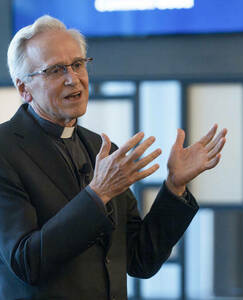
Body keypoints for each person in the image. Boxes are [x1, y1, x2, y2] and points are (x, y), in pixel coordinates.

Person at [0, 15, 227, 300]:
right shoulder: (5, 150)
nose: (73, 78)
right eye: (56, 70)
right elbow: (27, 262)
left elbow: (140, 259)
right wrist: (98, 194)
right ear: (24, 89)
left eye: (78, 64)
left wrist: (174, 187)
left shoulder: (99, 147)